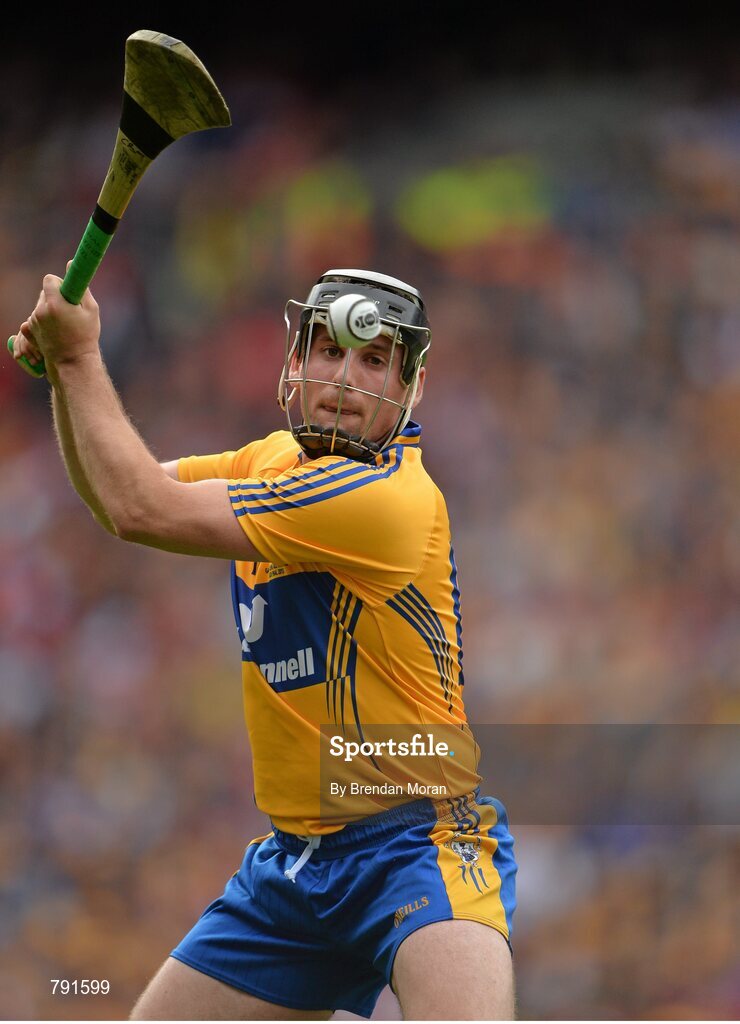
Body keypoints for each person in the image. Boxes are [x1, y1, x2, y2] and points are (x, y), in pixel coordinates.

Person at [11, 268, 517, 1021]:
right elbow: (118, 484)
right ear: (296, 359)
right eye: (329, 350)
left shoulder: (385, 499)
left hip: (418, 847)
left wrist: (79, 360)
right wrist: (62, 369)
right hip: (294, 866)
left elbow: (139, 507)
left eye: (374, 360)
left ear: (410, 385)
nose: (346, 379)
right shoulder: (271, 459)